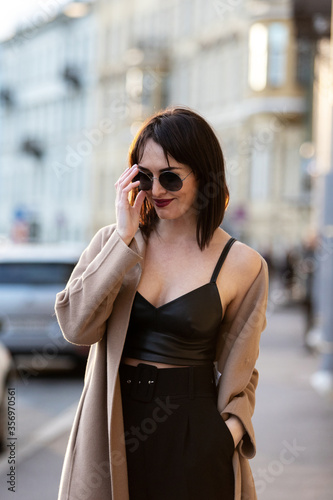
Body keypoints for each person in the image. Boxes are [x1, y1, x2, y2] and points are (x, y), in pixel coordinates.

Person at [55, 107, 269, 500]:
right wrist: (122, 239)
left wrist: (229, 433)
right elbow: (76, 327)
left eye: (170, 176)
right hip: (112, 424)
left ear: (204, 174)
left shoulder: (243, 264)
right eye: (144, 176)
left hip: (195, 433)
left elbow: (243, 369)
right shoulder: (113, 243)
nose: (156, 190)